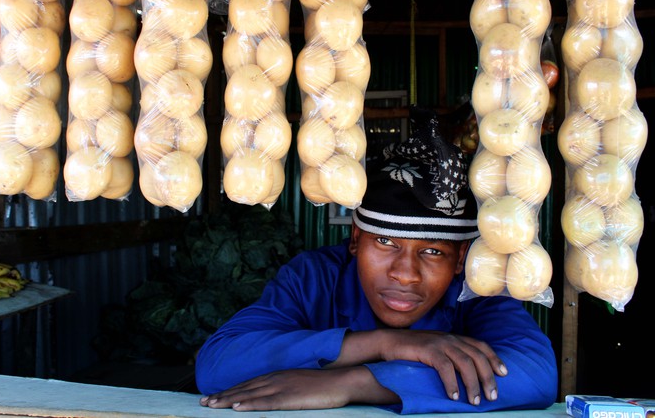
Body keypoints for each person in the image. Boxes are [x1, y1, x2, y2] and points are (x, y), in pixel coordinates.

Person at [195, 108, 558, 414]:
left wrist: (357, 382)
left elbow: (538, 375)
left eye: (433, 251)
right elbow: (217, 365)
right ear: (355, 240)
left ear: (461, 259)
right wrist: (385, 344)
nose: (405, 274)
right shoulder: (314, 278)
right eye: (385, 242)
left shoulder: (476, 292)